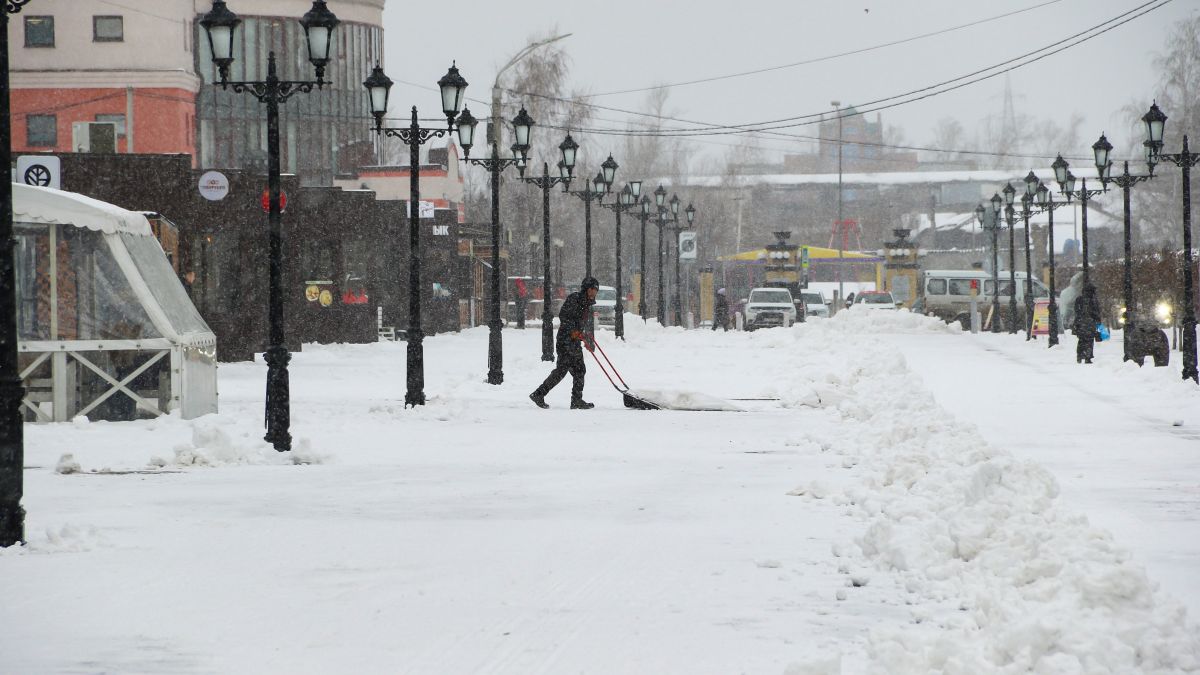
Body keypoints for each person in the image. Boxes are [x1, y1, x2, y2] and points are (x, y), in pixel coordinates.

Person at [530, 277, 598, 409]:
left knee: (578, 370)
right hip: (565, 340)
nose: (594, 292)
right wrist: (573, 331)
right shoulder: (575, 299)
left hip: (574, 341)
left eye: (595, 290)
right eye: (593, 289)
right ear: (587, 288)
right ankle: (540, 394)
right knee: (563, 371)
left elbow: (584, 323)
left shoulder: (588, 304)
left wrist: (588, 339)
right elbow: (564, 316)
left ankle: (575, 400)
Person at [1072, 282, 1101, 364]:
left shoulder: (1079, 299)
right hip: (1090, 324)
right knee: (1089, 341)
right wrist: (1098, 325)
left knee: (1081, 340)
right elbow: (1096, 314)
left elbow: (1076, 311)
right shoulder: (1093, 300)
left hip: (1080, 324)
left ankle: (1079, 356)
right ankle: (1087, 357)